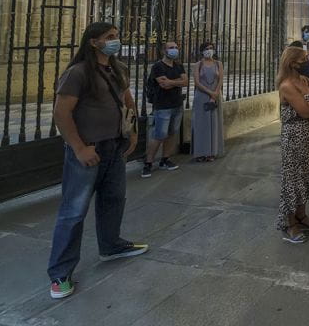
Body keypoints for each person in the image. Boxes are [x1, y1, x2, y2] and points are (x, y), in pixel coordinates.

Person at [47, 22, 147, 300]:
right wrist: (79, 148)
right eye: (109, 37)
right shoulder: (78, 73)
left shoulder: (118, 69)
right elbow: (61, 113)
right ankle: (59, 272)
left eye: (117, 36)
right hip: (88, 149)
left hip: (115, 146)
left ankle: (111, 245)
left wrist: (133, 132)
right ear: (93, 42)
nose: (116, 41)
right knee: (73, 210)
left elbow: (128, 101)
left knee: (114, 198)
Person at [275, 47, 309, 243]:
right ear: (292, 63)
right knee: (293, 179)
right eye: (303, 59)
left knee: (306, 176)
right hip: (296, 139)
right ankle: (290, 223)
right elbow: (305, 111)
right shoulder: (287, 85)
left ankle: (301, 214)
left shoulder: (304, 80)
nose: (307, 61)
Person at [142, 40, 188, 178]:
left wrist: (171, 82)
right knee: (159, 135)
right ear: (164, 51)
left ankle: (165, 159)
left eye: (176, 47)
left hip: (177, 103)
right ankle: (148, 162)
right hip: (162, 105)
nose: (174, 49)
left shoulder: (179, 66)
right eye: (171, 48)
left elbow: (185, 82)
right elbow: (163, 85)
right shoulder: (158, 66)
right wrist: (176, 83)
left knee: (172, 133)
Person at [191, 42, 224, 162]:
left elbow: (220, 79)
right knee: (201, 124)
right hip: (202, 96)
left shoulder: (218, 64)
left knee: (214, 123)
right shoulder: (198, 65)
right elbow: (197, 82)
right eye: (206, 49)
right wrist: (210, 93)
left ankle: (212, 152)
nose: (209, 50)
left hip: (215, 96)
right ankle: (200, 152)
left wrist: (215, 94)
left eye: (211, 48)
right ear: (202, 51)